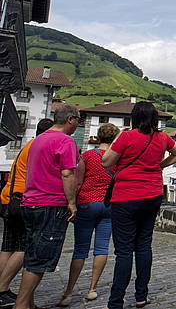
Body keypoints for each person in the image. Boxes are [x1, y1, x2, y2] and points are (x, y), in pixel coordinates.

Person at [102, 102, 176, 309]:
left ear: (135, 117)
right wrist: (160, 165)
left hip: (126, 197)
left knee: (124, 250)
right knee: (144, 245)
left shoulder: (127, 136)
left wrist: (118, 138)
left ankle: (116, 301)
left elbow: (106, 162)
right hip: (152, 195)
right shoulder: (162, 137)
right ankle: (141, 295)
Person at [14, 104, 81, 309]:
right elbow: (67, 173)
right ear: (70, 119)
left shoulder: (38, 140)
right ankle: (21, 305)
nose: (78, 125)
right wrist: (71, 203)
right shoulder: (65, 141)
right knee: (40, 259)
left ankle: (29, 303)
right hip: (50, 204)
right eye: (78, 120)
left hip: (30, 202)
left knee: (32, 253)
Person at [58, 123, 120, 307]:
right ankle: (92, 289)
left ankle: (68, 292)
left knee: (81, 248)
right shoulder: (117, 158)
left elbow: (78, 180)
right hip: (108, 205)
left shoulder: (87, 155)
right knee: (102, 247)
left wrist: (72, 203)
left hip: (87, 202)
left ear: (99, 137)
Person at [0, 118, 53, 308]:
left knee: (8, 246)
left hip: (8, 197)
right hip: (23, 199)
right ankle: (2, 287)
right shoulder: (39, 147)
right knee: (24, 247)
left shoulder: (28, 145)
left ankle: (2, 289)